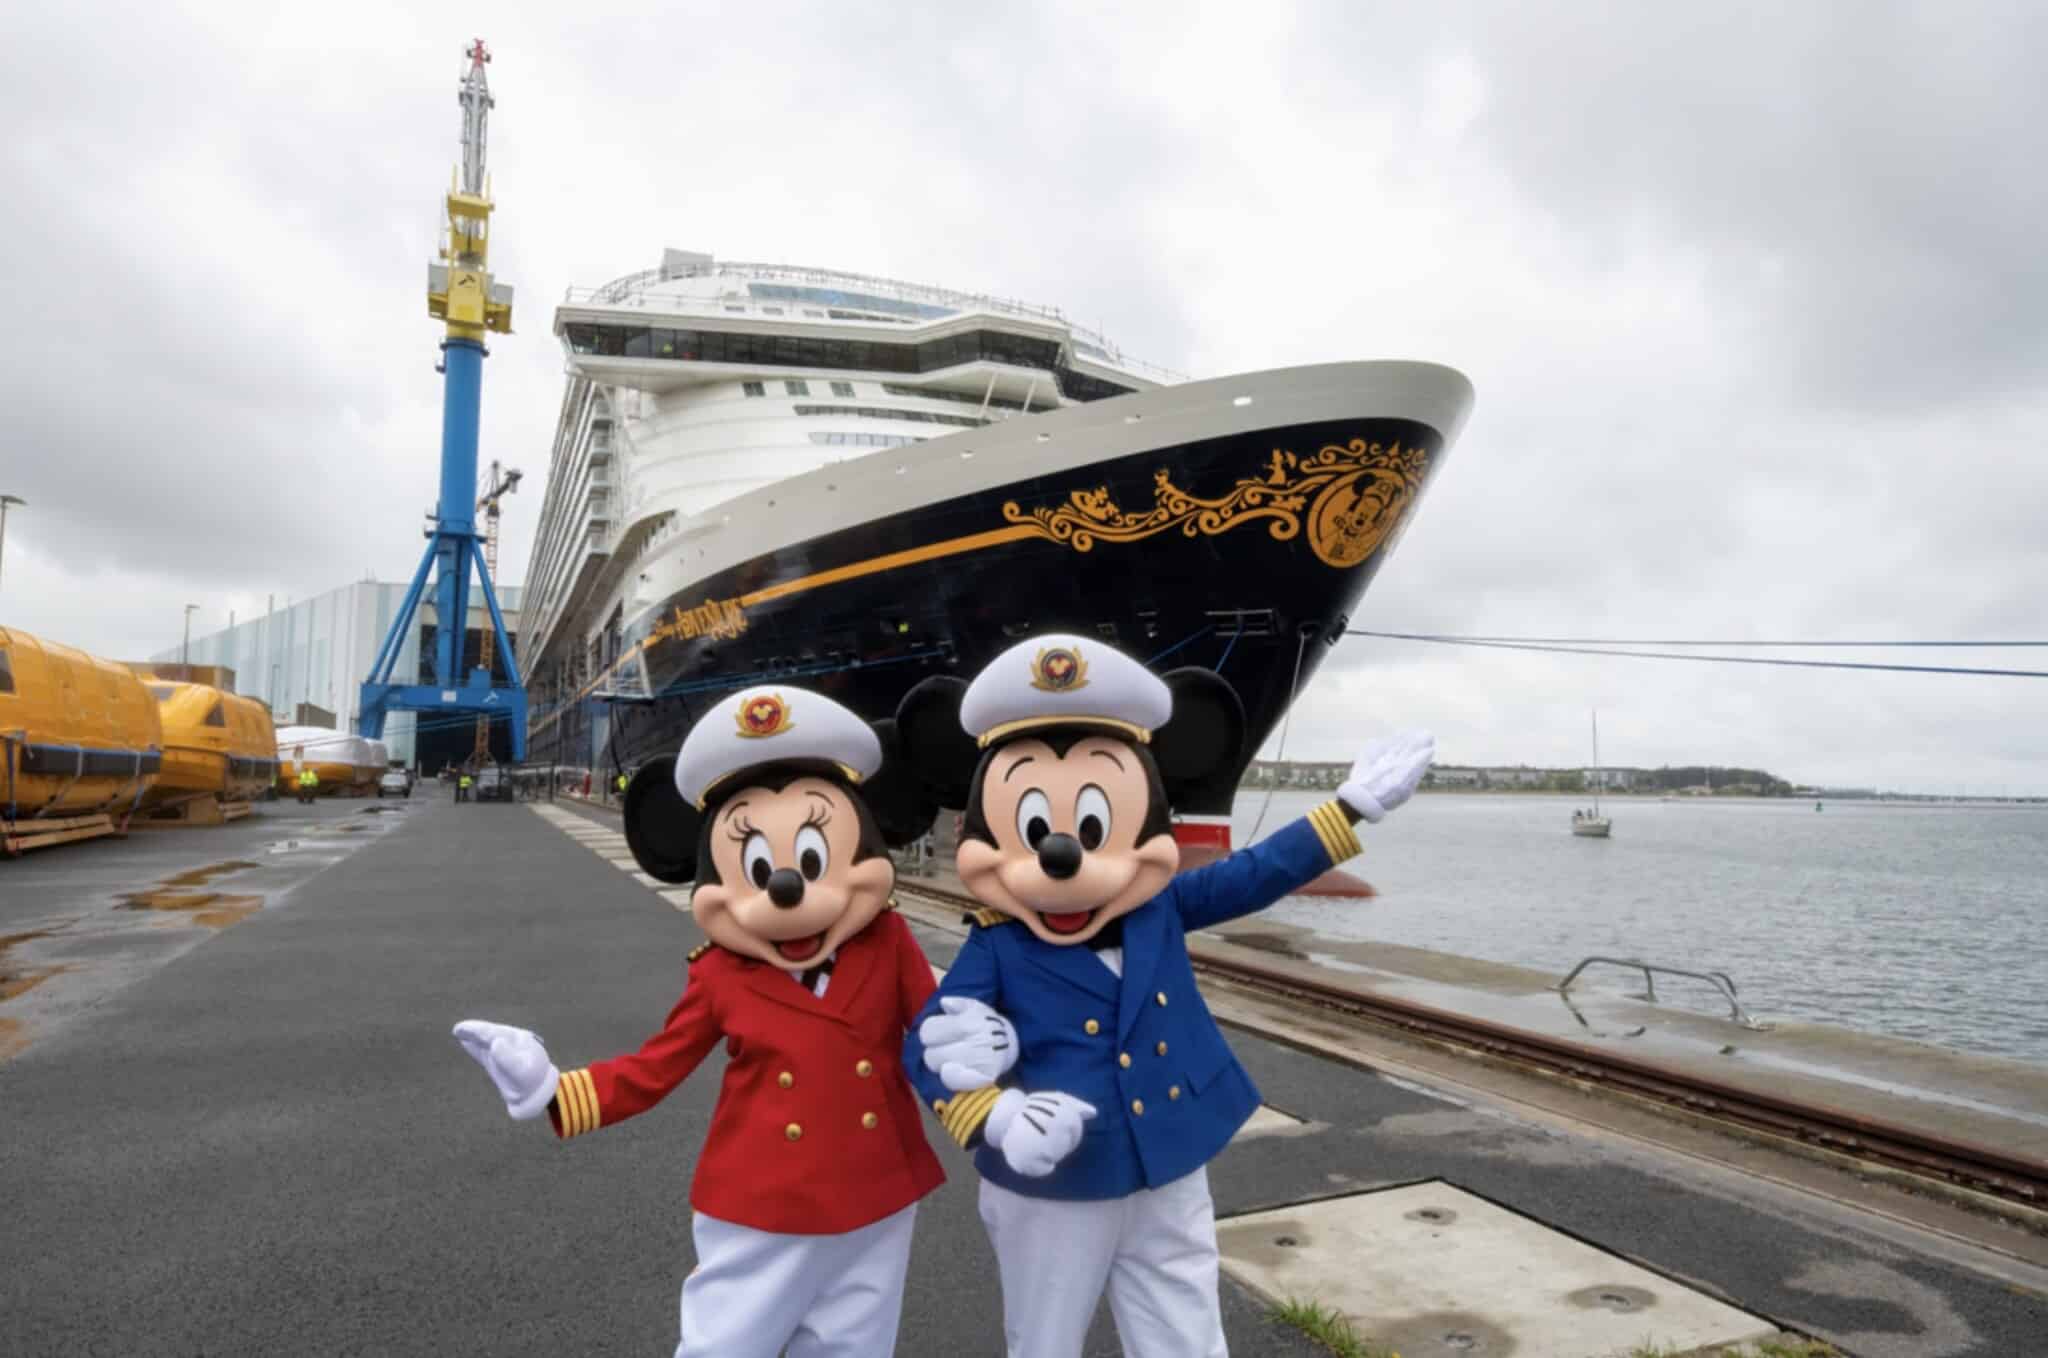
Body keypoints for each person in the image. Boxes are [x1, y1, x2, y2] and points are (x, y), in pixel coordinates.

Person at [897, 634, 1433, 1358]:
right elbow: (928, 1047)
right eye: (1034, 831)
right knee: (1045, 1335)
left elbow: (1253, 875)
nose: (1063, 856)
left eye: (1092, 827)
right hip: (1058, 1182)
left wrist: (1347, 809)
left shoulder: (1160, 907)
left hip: (1168, 1162)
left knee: (1183, 1325)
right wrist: (994, 1115)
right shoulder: (996, 942)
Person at [453, 687, 945, 1358]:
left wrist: (992, 1106)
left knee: (853, 1347)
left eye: (810, 857)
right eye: (758, 866)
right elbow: (657, 1067)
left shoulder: (887, 943)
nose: (786, 889)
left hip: (879, 1194)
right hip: (759, 1205)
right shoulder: (719, 974)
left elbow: (940, 1037)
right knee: (725, 1345)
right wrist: (552, 1089)